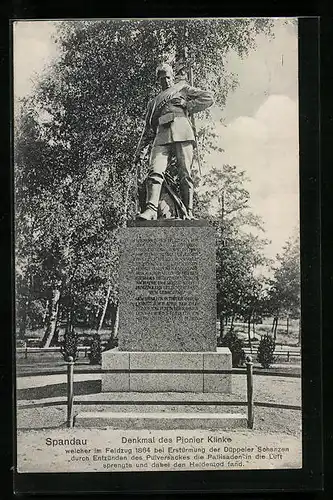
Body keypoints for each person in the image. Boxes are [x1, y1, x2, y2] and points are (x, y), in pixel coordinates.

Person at [135, 63, 214, 220]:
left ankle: (189, 212)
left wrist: (188, 105)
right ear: (158, 80)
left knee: (185, 173)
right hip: (161, 136)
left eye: (168, 77)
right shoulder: (153, 103)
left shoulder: (182, 89)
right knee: (155, 171)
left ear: (173, 76)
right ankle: (151, 210)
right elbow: (147, 129)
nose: (166, 81)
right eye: (162, 78)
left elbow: (208, 97)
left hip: (182, 132)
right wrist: (139, 151)